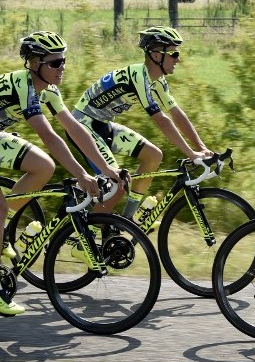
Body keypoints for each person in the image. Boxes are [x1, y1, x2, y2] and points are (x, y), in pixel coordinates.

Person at [0, 31, 125, 316]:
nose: (62, 68)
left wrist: (108, 169)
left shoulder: (49, 92)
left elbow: (74, 130)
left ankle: (3, 227)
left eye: (64, 61)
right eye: (55, 63)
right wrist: (82, 175)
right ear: (34, 63)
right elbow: (48, 135)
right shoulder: (23, 85)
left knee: (44, 167)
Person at [68, 26, 209, 220]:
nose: (178, 59)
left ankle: (128, 219)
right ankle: (90, 235)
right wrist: (191, 154)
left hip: (102, 124)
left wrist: (201, 147)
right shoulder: (138, 77)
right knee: (117, 182)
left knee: (153, 155)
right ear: (155, 55)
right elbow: (161, 120)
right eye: (173, 53)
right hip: (83, 125)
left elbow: (176, 113)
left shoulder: (156, 81)